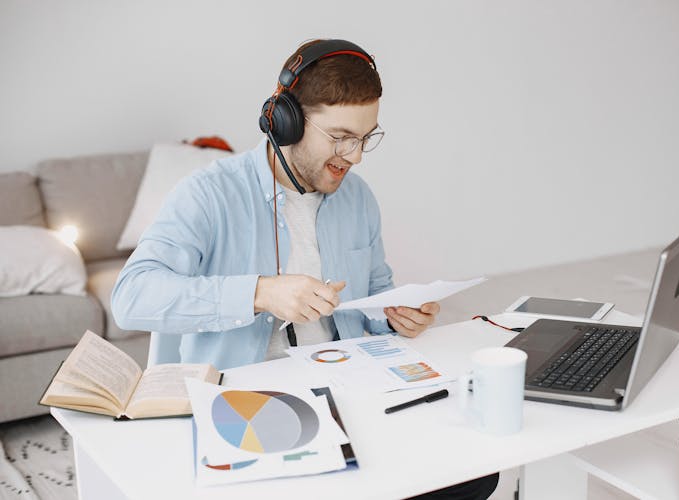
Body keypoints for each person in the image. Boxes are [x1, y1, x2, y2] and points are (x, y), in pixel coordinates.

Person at [111, 38, 497, 499]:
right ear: (286, 120)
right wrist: (259, 292)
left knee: (475, 473)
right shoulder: (207, 194)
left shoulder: (358, 198)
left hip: (352, 389)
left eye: (365, 138)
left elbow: (377, 289)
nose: (354, 156)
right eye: (340, 137)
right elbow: (131, 297)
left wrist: (398, 315)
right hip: (248, 405)